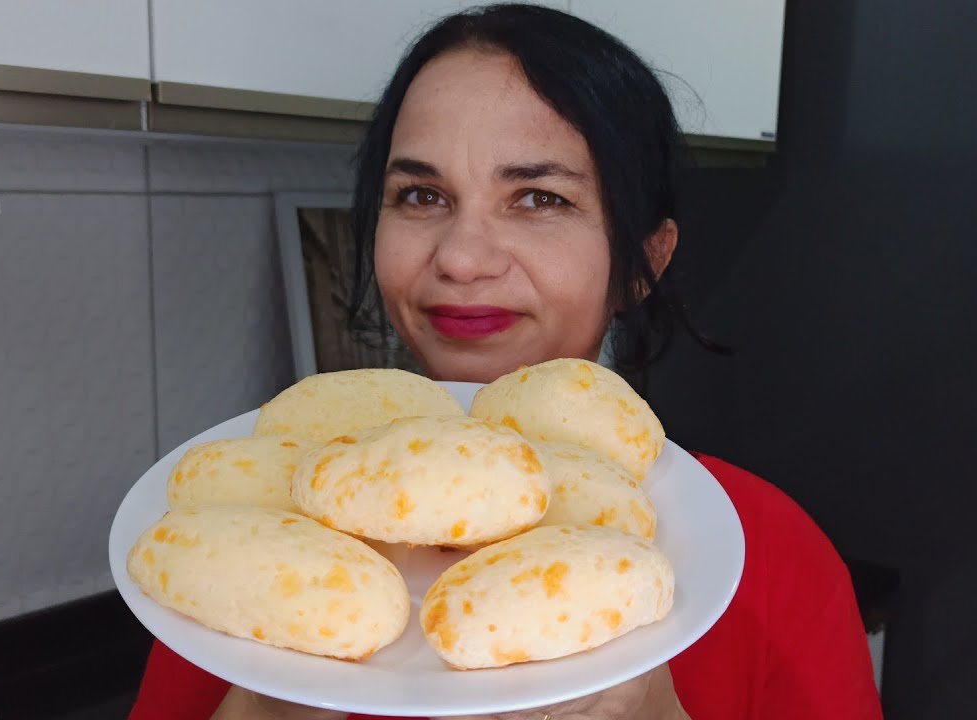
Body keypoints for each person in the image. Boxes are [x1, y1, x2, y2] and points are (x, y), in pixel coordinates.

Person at [128, 5, 883, 719]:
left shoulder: (768, 557)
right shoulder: (246, 541)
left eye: (539, 199)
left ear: (642, 263)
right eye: (421, 195)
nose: (459, 258)